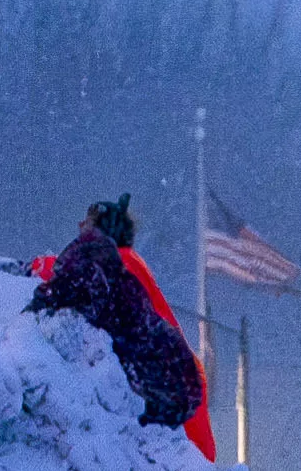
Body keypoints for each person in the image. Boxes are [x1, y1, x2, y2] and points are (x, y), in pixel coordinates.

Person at [30, 194, 215, 452]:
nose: (80, 225)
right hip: (177, 395)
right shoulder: (128, 263)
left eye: (88, 222)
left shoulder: (119, 263)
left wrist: (35, 267)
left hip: (173, 407)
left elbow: (69, 275)